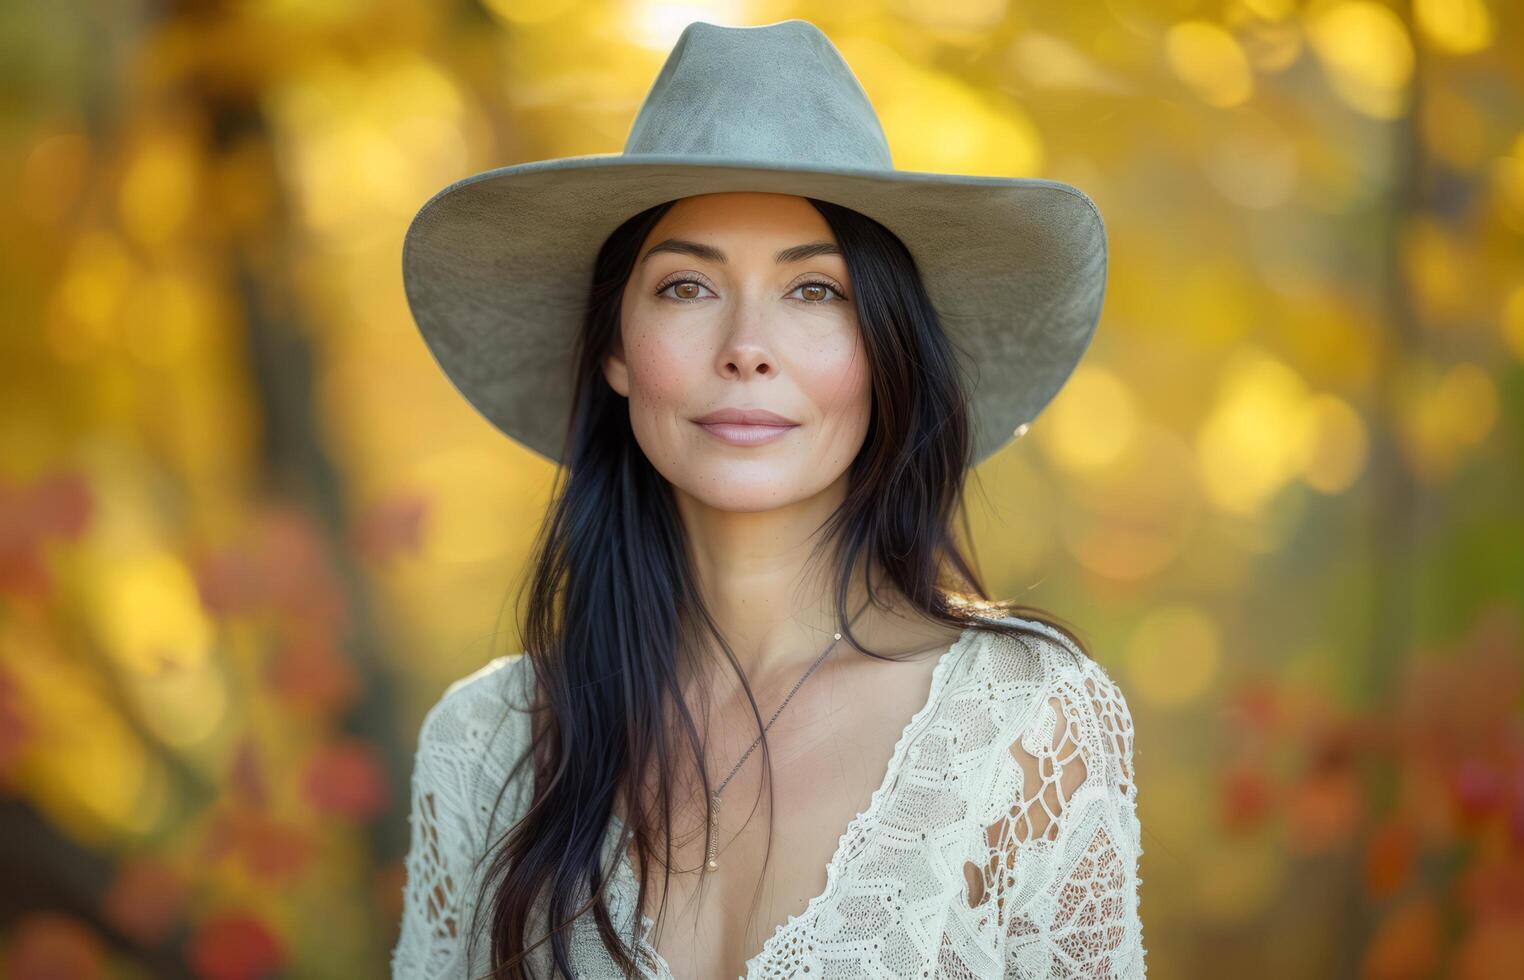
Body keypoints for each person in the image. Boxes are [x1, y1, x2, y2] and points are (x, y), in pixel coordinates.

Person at [392, 19, 1144, 980]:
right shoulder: (484, 747)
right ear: (616, 351)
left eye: (815, 291)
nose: (747, 345)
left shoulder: (1022, 728)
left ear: (885, 351)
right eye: (686, 287)